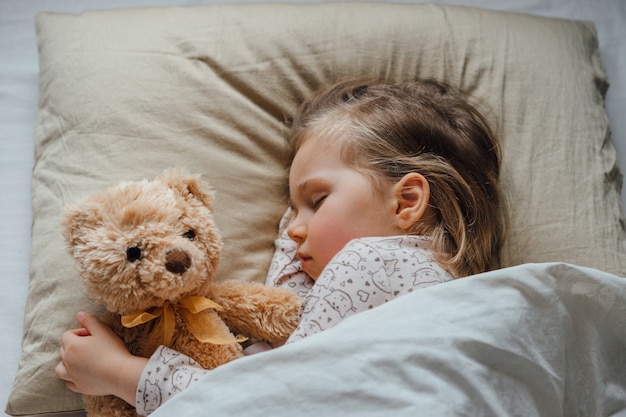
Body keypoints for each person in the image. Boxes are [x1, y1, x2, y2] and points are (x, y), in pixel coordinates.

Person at [55, 78, 506, 415]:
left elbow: (265, 401)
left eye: (316, 201)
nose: (291, 231)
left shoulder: (371, 262)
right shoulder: (437, 283)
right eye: (291, 211)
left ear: (406, 201)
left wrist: (120, 374)